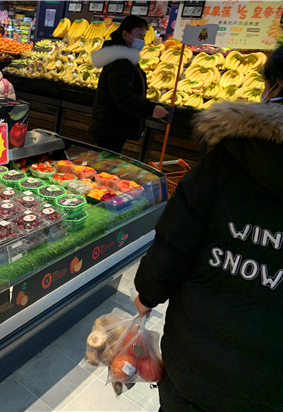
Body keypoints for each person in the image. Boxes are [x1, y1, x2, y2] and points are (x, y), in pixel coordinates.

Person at [133, 45, 283, 412]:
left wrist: (148, 293)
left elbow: (177, 236)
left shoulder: (231, 154)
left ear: (275, 86)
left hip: (196, 352)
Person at [88, 15, 168, 153]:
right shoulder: (121, 62)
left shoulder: (122, 57)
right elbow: (123, 96)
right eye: (139, 35)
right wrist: (150, 108)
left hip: (113, 124)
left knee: (106, 159)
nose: (142, 40)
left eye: (143, 36)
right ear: (125, 34)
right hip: (113, 126)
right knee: (106, 160)